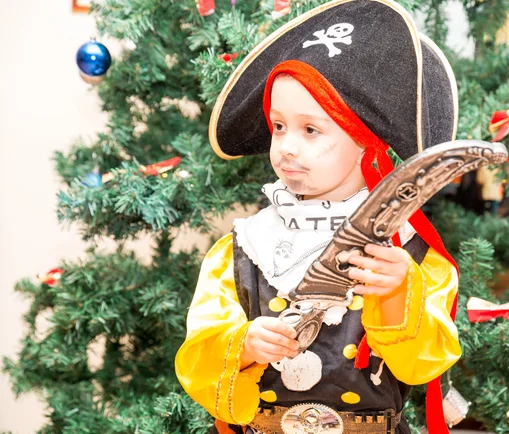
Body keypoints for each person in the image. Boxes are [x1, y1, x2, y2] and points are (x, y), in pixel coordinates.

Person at [175, 0, 462, 432]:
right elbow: (199, 358)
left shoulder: (409, 255)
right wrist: (243, 346)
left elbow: (424, 365)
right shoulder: (239, 249)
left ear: (367, 140)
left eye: (311, 130)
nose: (287, 147)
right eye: (279, 126)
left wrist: (397, 294)